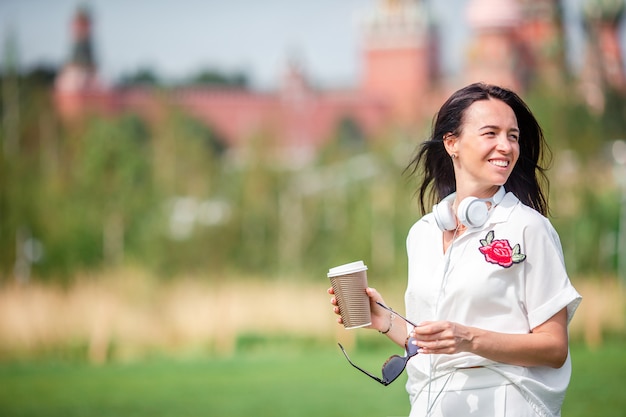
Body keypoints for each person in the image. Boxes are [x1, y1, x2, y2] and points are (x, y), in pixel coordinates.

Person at [328, 82, 582, 417]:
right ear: (452, 143)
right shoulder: (422, 234)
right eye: (490, 133)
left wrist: (468, 339)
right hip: (432, 404)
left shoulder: (528, 228)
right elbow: (433, 343)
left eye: (513, 136)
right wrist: (386, 321)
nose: (505, 146)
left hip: (507, 403)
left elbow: (554, 347)